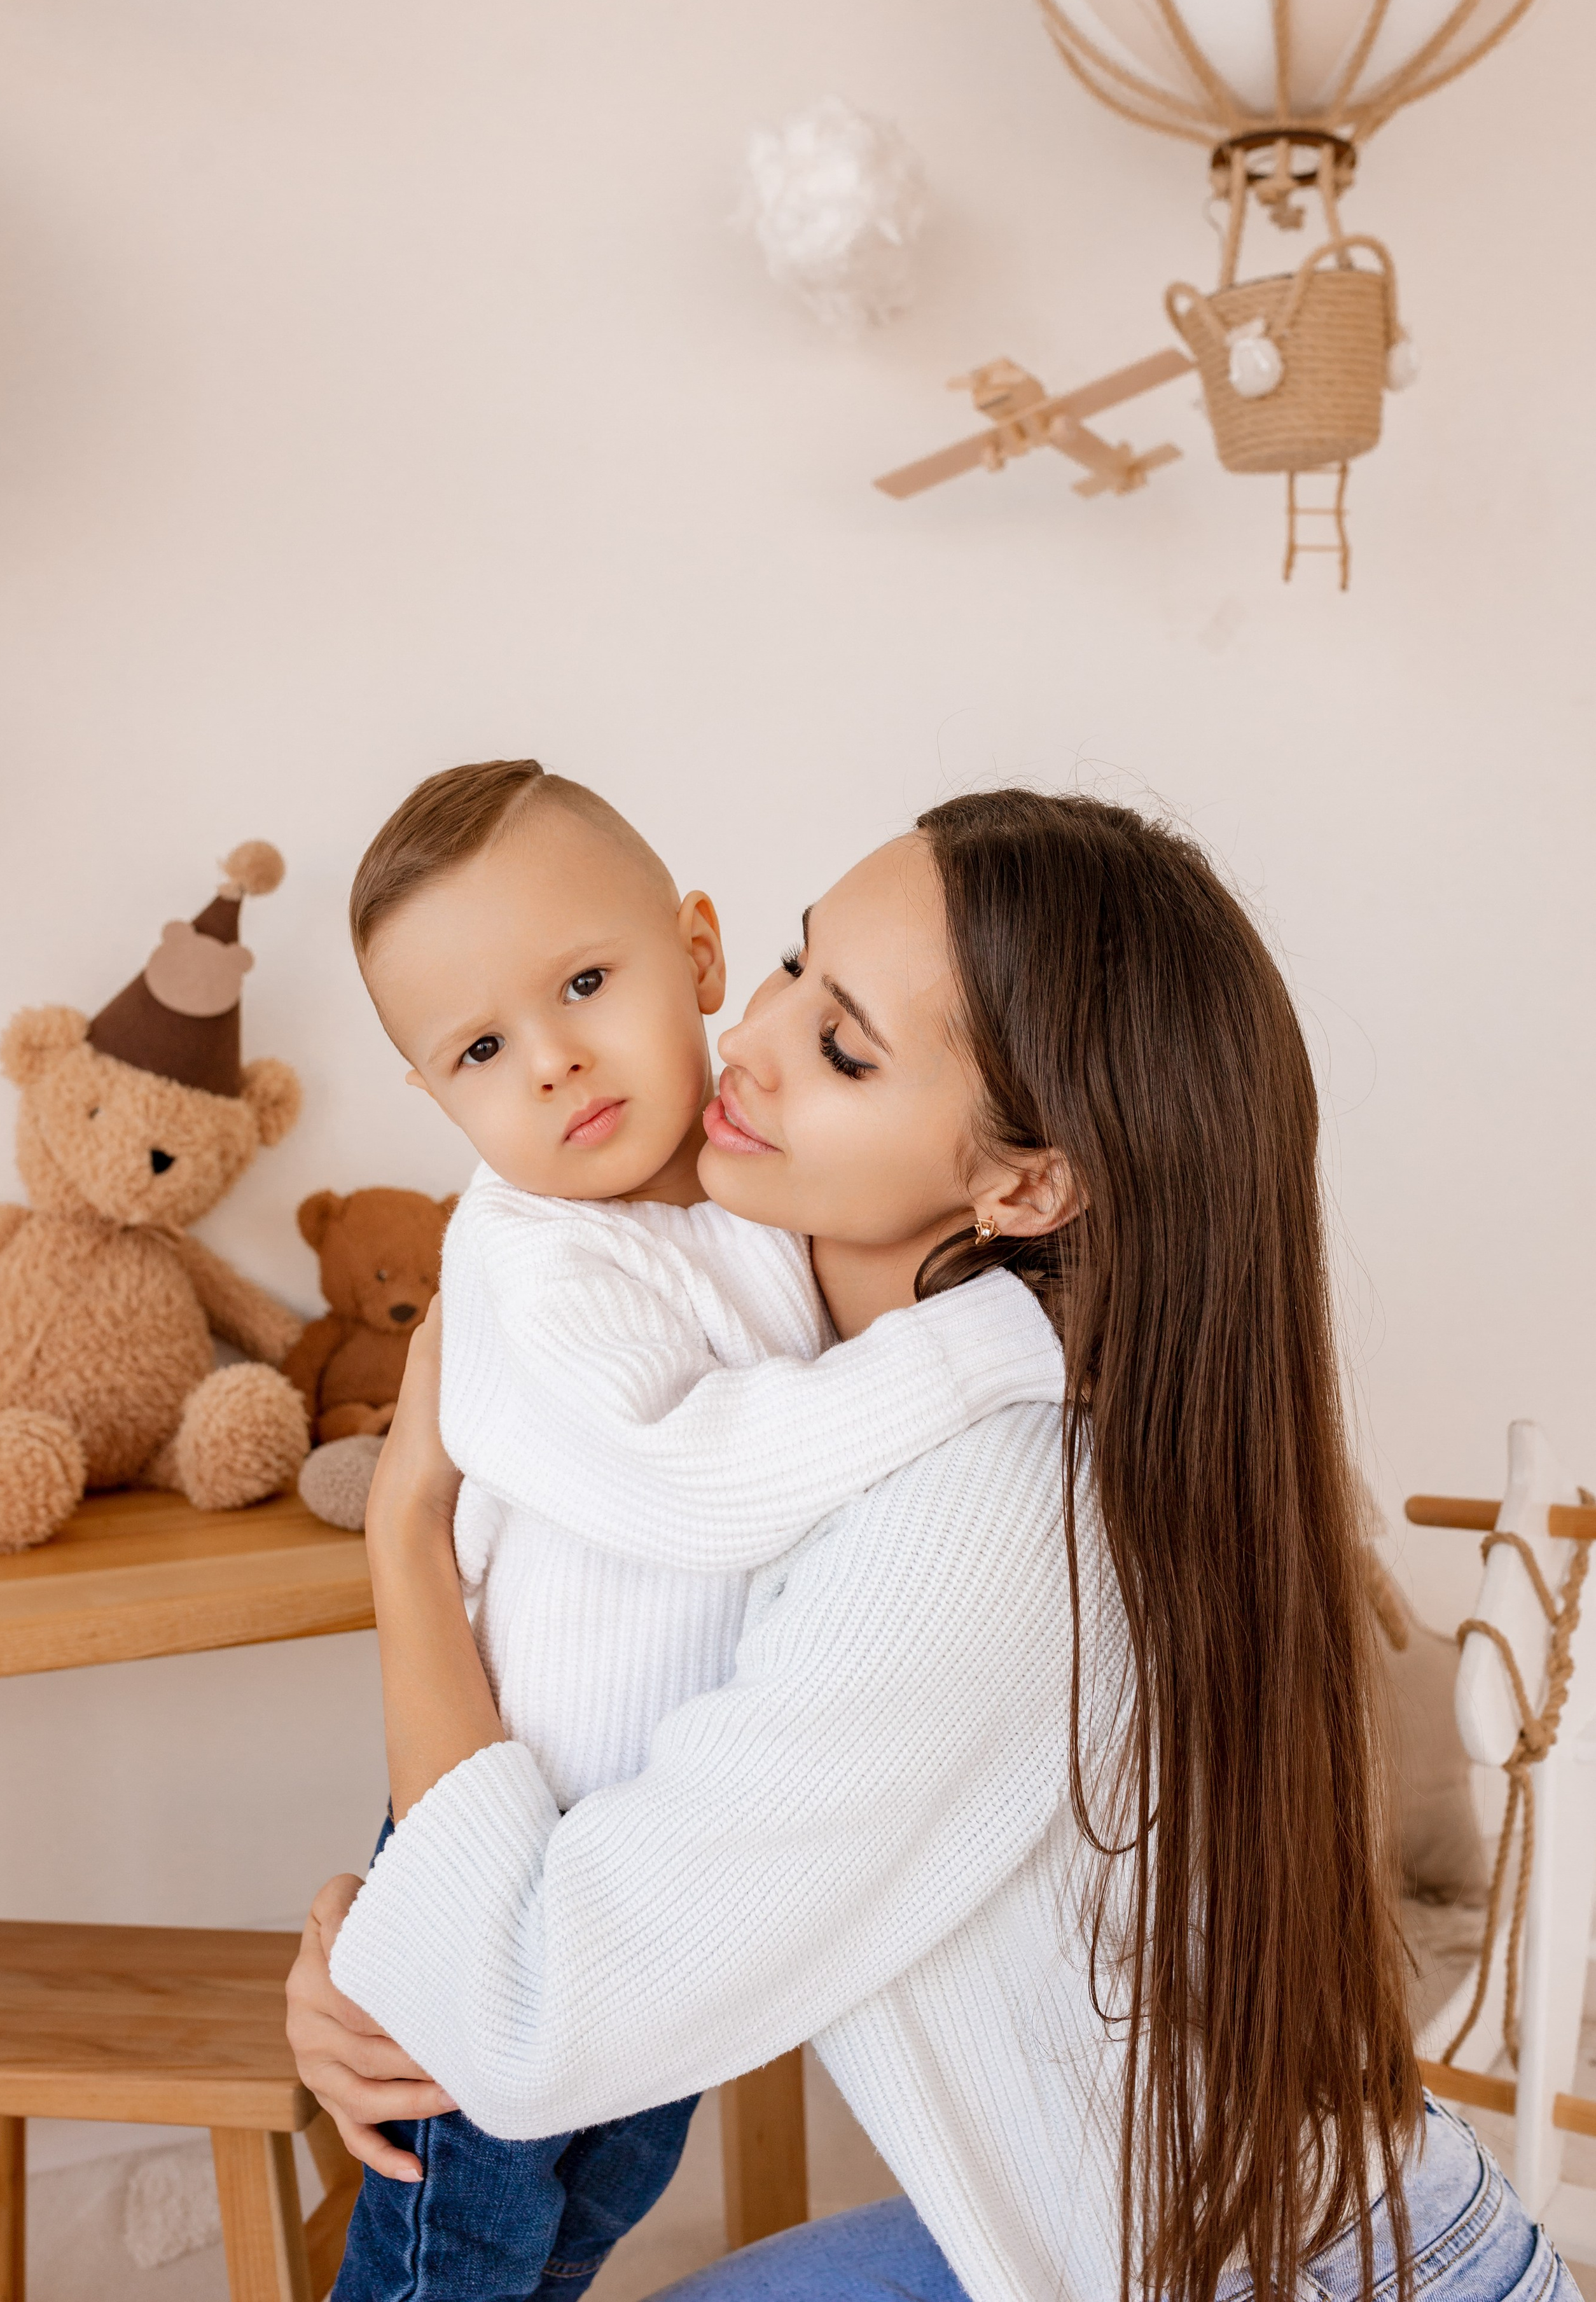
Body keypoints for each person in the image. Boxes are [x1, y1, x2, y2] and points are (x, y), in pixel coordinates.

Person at [289, 787, 1574, 2302]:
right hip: (1199, 2222)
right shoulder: (827, 1363)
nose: (748, 1042)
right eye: (792, 965)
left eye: (842, 1048)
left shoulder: (979, 1518)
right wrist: (390, 1937)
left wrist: (407, 1528)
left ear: (1023, 1185)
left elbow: (522, 2023)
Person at [330, 759, 1063, 2300]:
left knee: (580, 2222)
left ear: (697, 953)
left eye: (583, 984)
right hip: (509, 1826)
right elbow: (695, 1484)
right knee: (449, 2259)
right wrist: (987, 1343)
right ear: (436, 1097)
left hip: (639, 1863)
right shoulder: (531, 1258)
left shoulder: (754, 1209)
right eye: (480, 1050)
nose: (551, 1063)